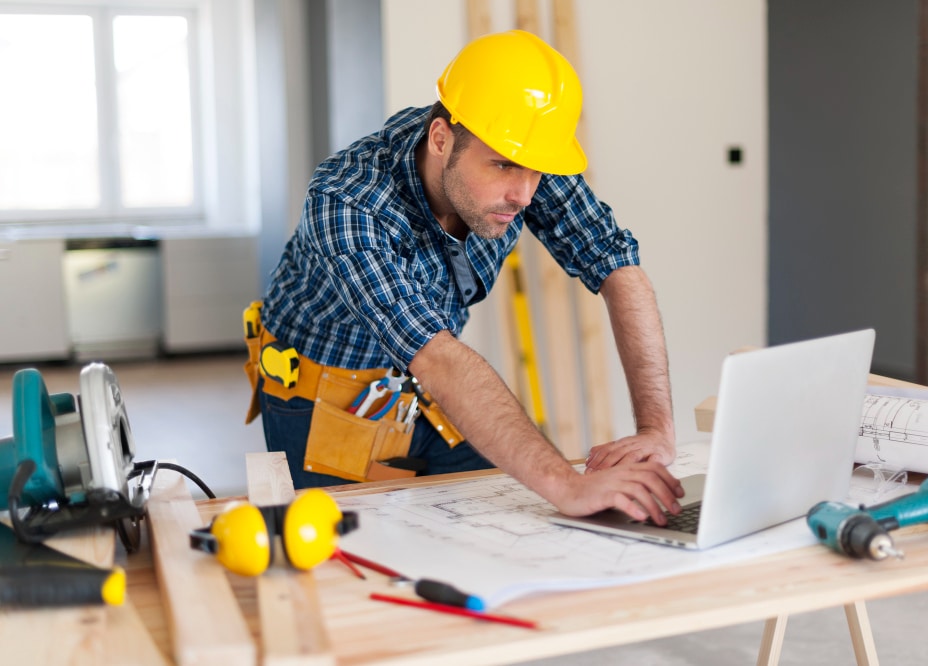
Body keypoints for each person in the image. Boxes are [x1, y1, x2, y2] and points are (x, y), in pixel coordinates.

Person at [246, 29, 682, 525]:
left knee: (506, 527)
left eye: (535, 173)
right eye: (502, 167)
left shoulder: (519, 151)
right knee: (349, 560)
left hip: (420, 388)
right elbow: (436, 356)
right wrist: (567, 483)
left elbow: (618, 266)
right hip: (322, 397)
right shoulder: (347, 202)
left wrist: (656, 430)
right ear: (440, 139)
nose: (523, 194)